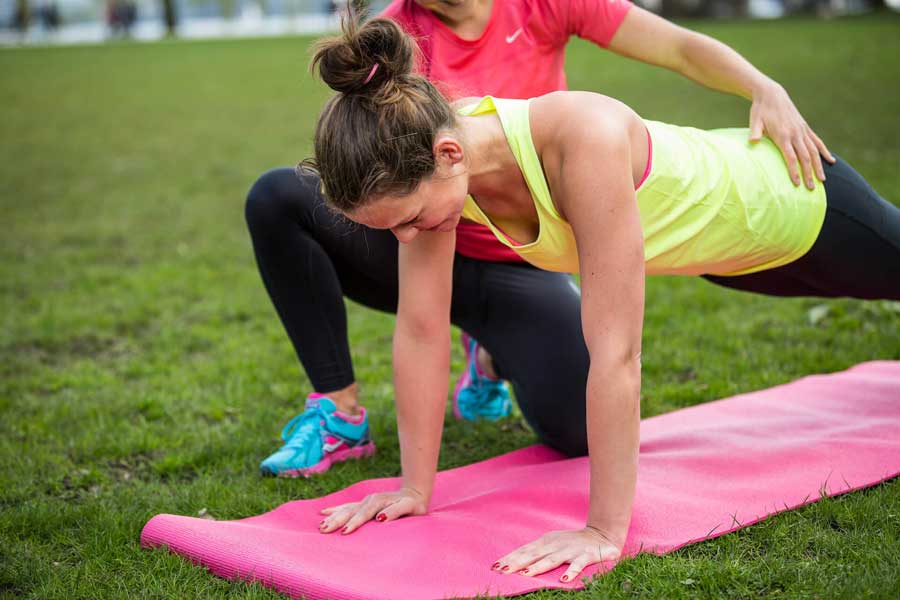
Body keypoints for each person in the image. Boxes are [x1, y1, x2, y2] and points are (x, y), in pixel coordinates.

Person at [305, 16, 900, 581]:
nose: (406, 238)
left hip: (799, 205)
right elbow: (421, 330)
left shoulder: (578, 138)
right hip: (725, 261)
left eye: (407, 219)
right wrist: (414, 488)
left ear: (449, 157)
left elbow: (615, 355)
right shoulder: (433, 160)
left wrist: (603, 531)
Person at [246, 0, 836, 478]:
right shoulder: (393, 42)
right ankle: (339, 413)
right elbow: (370, 176)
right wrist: (415, 489)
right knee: (280, 196)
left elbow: (677, 45)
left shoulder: (540, 5)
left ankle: (492, 352)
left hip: (521, 260)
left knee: (579, 433)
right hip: (427, 241)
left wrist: (762, 87)